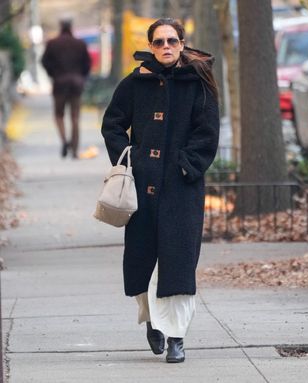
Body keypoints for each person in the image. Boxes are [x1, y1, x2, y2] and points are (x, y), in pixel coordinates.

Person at [101, 18, 220, 363]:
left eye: (171, 40)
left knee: (179, 262)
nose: (165, 46)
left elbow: (208, 133)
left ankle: (177, 338)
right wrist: (131, 158)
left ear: (182, 43)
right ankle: (153, 322)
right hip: (142, 187)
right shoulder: (135, 83)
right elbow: (112, 124)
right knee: (142, 261)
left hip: (183, 189)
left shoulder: (199, 84)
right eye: (158, 42)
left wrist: (187, 164)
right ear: (151, 46)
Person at [41, 17, 91, 158]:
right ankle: (74, 151)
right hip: (76, 83)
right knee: (75, 117)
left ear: (60, 26)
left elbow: (44, 61)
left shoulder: (52, 43)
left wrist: (53, 74)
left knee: (58, 115)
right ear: (71, 26)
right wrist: (81, 77)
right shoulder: (80, 44)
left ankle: (64, 140)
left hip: (59, 83)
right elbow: (87, 64)